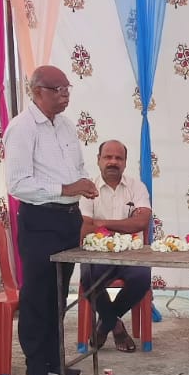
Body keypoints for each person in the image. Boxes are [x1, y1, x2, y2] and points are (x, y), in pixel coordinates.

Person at [5, 65, 92, 375]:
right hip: (40, 220)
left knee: (59, 292)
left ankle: (55, 360)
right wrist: (66, 188)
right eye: (59, 89)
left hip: (68, 219)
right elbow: (18, 184)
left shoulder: (66, 125)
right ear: (37, 91)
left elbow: (77, 166)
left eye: (67, 88)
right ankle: (35, 366)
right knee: (36, 295)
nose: (65, 94)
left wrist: (83, 184)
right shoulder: (22, 128)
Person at [79, 139, 151, 353]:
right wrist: (123, 225)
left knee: (142, 278)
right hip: (97, 254)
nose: (113, 162)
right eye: (108, 157)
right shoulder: (87, 188)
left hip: (131, 254)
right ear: (98, 160)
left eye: (118, 158)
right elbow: (84, 227)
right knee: (89, 279)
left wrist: (100, 224)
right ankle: (116, 326)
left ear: (125, 162)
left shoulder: (137, 187)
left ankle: (104, 324)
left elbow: (141, 222)